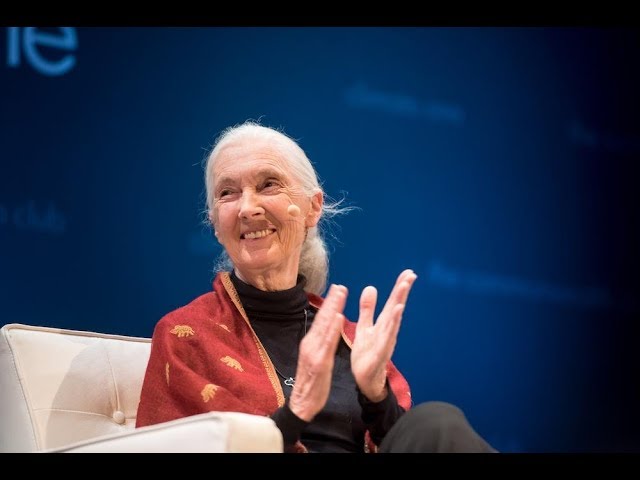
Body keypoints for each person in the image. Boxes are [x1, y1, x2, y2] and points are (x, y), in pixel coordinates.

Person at [136, 121, 496, 453]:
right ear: (215, 223)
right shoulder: (186, 337)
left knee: (437, 421)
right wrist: (295, 413)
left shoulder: (350, 341)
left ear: (312, 208)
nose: (247, 207)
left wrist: (376, 396)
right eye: (227, 193)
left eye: (268, 184)